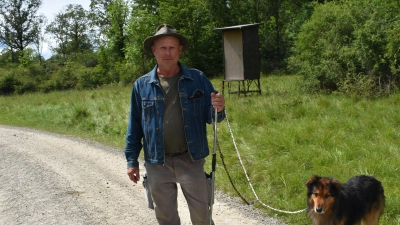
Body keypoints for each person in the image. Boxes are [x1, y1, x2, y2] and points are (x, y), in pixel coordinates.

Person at [124, 24, 226, 225]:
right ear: (154, 50)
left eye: (172, 48)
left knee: (202, 215)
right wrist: (131, 161)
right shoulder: (141, 85)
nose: (167, 53)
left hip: (191, 159)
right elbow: (134, 126)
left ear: (180, 50)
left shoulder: (197, 79)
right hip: (156, 162)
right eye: (162, 48)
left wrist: (219, 108)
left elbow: (213, 117)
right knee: (165, 217)